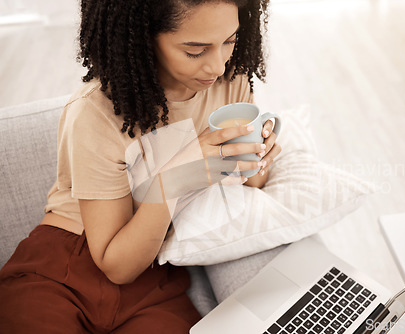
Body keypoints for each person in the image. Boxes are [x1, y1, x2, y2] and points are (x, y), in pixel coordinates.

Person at [0, 0, 281, 332]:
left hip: (152, 272)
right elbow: (115, 264)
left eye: (230, 41)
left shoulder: (232, 84)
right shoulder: (96, 112)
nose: (217, 66)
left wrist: (261, 155)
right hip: (67, 261)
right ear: (144, 37)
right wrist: (176, 178)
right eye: (195, 51)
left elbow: (249, 182)